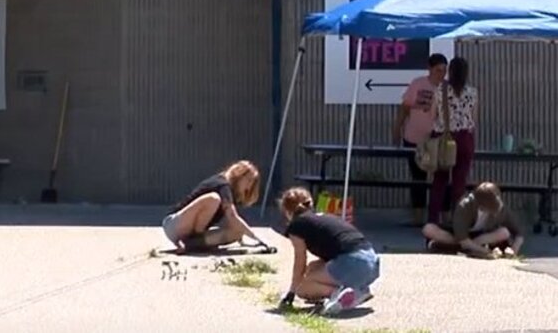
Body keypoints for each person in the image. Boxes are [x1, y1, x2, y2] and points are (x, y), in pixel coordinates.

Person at [278, 186, 380, 316]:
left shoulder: (297, 225)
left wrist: (292, 292)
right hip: (371, 263)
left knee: (302, 287)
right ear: (310, 204)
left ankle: (348, 294)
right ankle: (357, 289)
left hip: (352, 263)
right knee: (313, 267)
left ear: (287, 211)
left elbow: (300, 260)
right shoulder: (324, 217)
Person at [161, 160, 265, 253]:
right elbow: (232, 216)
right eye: (248, 180)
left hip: (184, 230)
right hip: (174, 224)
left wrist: (242, 236)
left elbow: (231, 222)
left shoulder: (228, 192)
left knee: (237, 232)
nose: (248, 186)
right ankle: (197, 238)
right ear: (239, 175)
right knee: (213, 199)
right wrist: (256, 238)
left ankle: (192, 244)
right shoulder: (222, 184)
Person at [395, 53, 446, 225]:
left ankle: (442, 215)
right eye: (438, 70)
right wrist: (397, 129)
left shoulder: (447, 88)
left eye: (444, 71)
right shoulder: (418, 84)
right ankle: (417, 216)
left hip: (437, 139)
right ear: (430, 69)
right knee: (418, 177)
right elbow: (405, 107)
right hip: (415, 137)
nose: (441, 74)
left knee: (441, 176)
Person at [428, 57, 478, 225]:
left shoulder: (440, 91)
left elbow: (433, 114)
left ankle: (433, 222)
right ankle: (459, 223)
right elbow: (473, 118)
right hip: (465, 138)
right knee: (460, 183)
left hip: (444, 138)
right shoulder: (472, 92)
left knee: (439, 182)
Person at [423, 181, 524, 258]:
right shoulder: (465, 205)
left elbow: (518, 233)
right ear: (482, 206)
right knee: (428, 229)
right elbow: (462, 238)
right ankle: (466, 249)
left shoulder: (501, 208)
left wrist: (514, 249)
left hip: (482, 236)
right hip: (458, 235)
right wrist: (486, 252)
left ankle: (450, 247)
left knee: (504, 232)